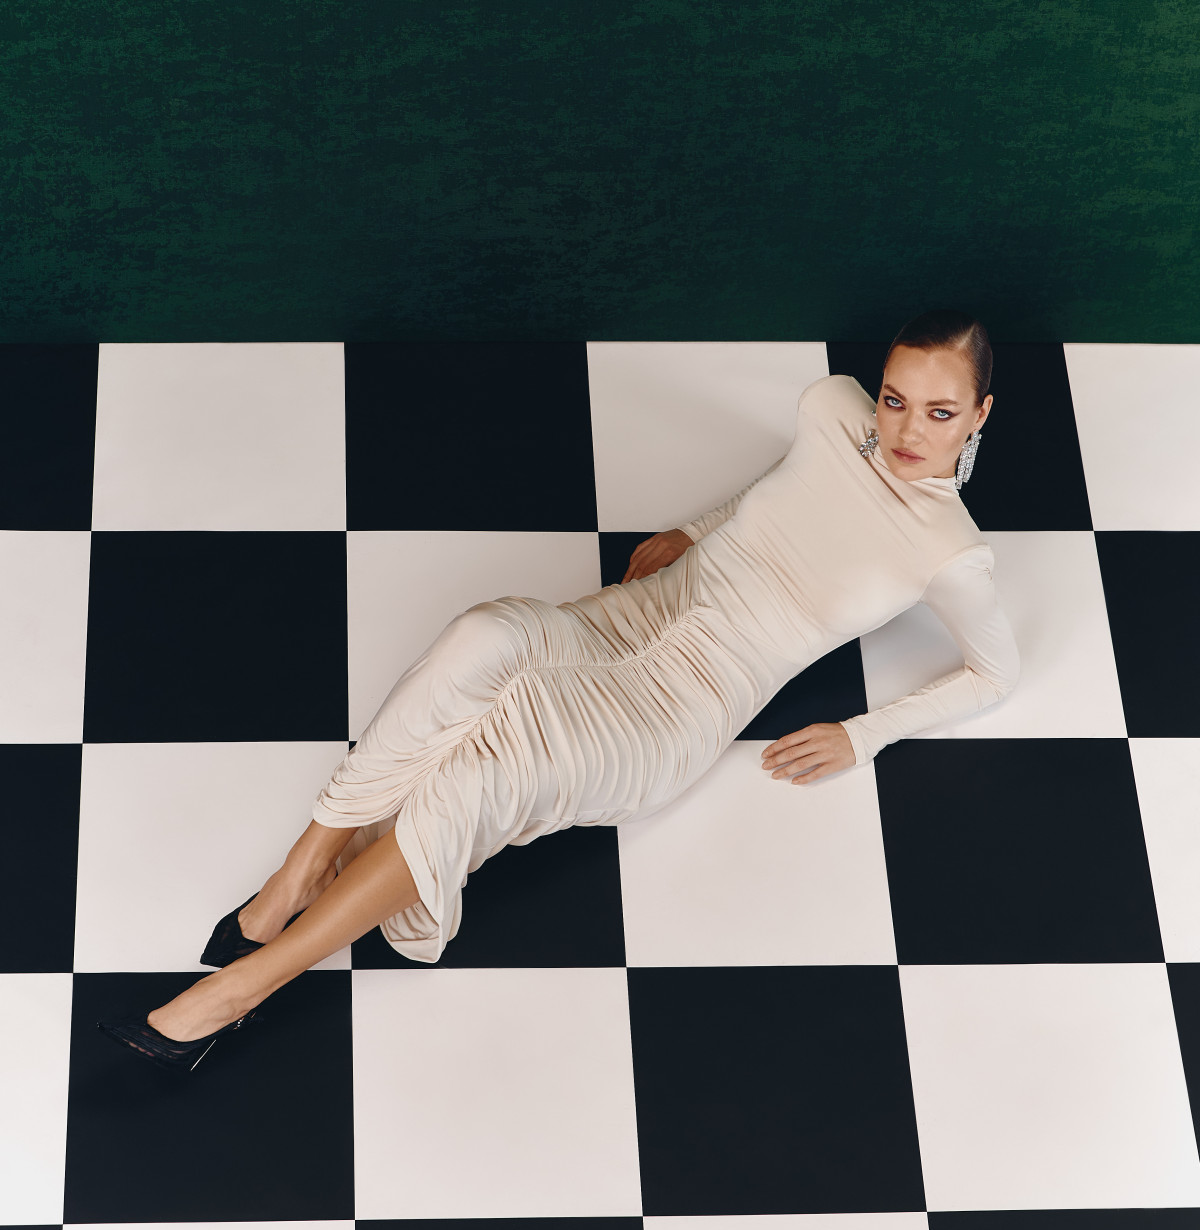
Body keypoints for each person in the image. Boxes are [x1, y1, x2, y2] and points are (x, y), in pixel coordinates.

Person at [98, 308, 1019, 1069]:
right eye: (895, 400)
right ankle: (300, 867)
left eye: (939, 413)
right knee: (486, 632)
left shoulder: (952, 555)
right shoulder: (831, 408)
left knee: (480, 772)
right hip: (636, 614)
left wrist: (864, 732)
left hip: (683, 706)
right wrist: (697, 531)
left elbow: (995, 673)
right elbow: (785, 487)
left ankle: (243, 987)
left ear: (979, 413)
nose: (905, 431)